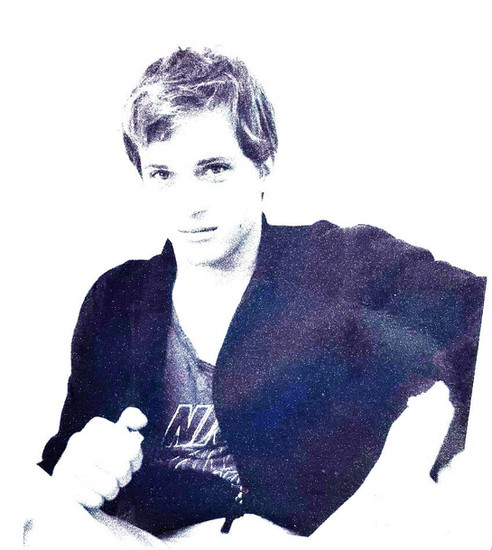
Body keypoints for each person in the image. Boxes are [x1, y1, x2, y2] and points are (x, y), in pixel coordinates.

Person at [38, 47, 486, 540]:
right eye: (163, 175)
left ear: (264, 163)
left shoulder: (345, 262)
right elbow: (64, 464)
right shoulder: (116, 300)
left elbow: (479, 319)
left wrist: (441, 465)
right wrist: (75, 469)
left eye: (214, 169)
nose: (189, 204)